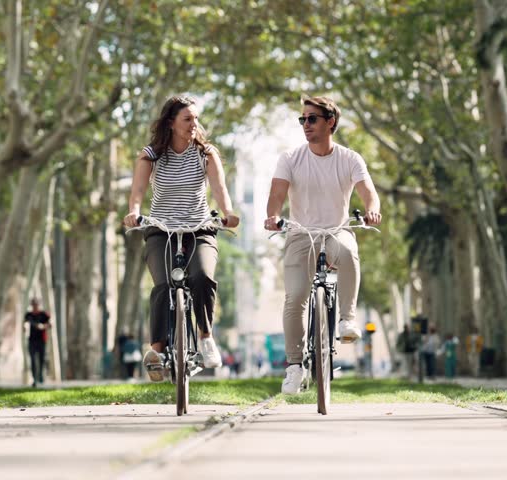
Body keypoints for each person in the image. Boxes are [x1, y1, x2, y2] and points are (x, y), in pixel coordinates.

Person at [264, 95, 382, 394]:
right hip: (300, 233)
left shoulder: (350, 158)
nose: (306, 124)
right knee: (296, 297)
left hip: (335, 231)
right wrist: (273, 216)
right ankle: (294, 367)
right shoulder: (290, 158)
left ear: (330, 122)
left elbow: (368, 191)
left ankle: (346, 320)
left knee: (349, 251)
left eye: (312, 118)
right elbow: (277, 194)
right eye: (302, 119)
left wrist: (371, 210)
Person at [123, 94, 240, 382]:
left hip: (199, 227)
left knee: (202, 276)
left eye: (196, 119)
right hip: (161, 230)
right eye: (188, 119)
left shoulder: (205, 153)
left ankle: (205, 336)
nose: (194, 124)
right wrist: (133, 212)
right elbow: (137, 192)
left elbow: (219, 188)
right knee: (163, 285)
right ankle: (158, 352)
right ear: (171, 122)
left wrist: (228, 212)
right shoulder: (151, 155)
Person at [23, 298, 51, 387]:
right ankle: (34, 379)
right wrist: (24, 327)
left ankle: (41, 376)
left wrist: (43, 326)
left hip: (42, 340)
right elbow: (24, 323)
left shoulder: (44, 314)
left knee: (41, 359)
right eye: (33, 304)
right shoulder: (28, 315)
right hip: (32, 340)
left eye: (36, 304)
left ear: (39, 305)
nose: (35, 306)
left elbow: (50, 324)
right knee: (32, 360)